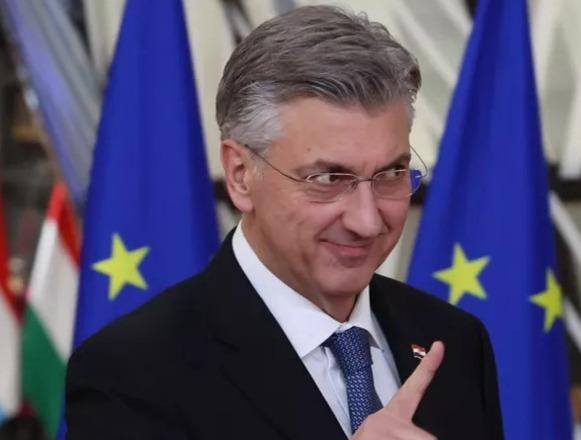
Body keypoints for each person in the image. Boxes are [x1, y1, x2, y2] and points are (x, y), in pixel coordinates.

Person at [65, 6, 503, 439]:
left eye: (390, 174)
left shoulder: (454, 340)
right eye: (329, 179)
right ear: (241, 175)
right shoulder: (133, 373)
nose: (367, 221)